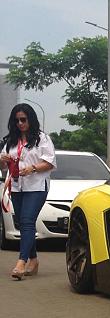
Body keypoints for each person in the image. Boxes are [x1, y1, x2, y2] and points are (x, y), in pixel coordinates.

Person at [0, 103, 56, 280]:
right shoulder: (10, 141)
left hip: (36, 186)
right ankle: (33, 259)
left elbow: (50, 163)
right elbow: (2, 166)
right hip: (16, 186)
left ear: (30, 119)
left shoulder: (42, 139)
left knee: (27, 220)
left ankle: (21, 262)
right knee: (24, 223)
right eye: (16, 120)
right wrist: (2, 159)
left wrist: (32, 168)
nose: (20, 123)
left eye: (23, 119)